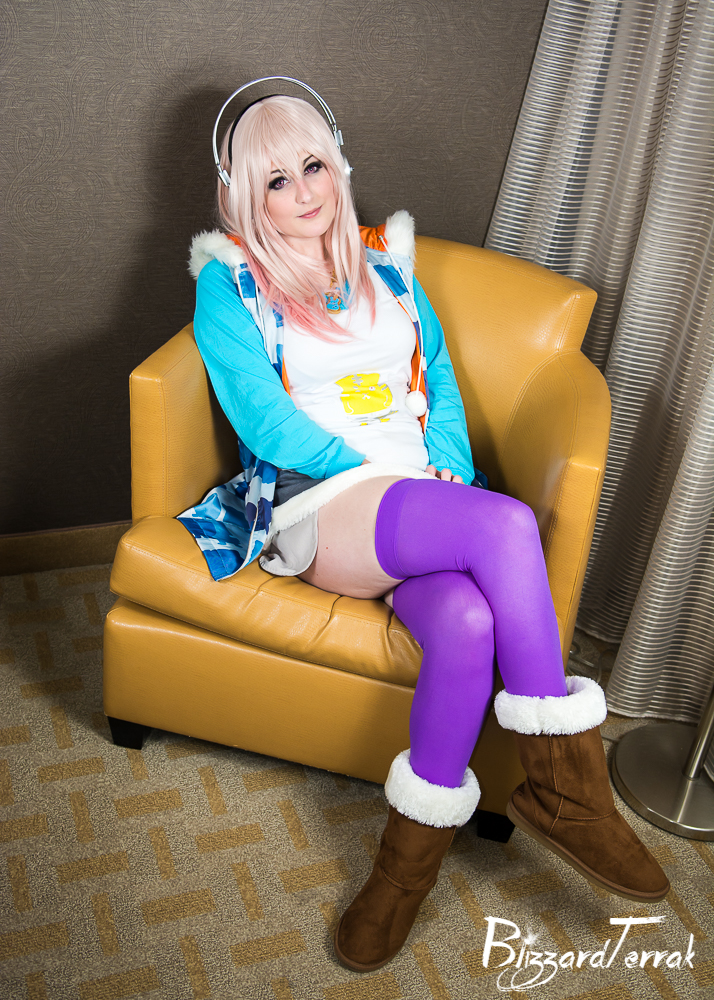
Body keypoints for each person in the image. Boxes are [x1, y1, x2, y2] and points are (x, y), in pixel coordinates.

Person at [183, 90, 669, 973]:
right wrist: (380, 471)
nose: (304, 191)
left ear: (339, 163)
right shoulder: (231, 284)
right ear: (247, 195)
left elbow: (436, 380)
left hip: (415, 499)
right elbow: (263, 421)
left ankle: (399, 876)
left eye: (313, 166)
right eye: (277, 180)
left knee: (470, 625)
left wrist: (443, 468)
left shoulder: (388, 267)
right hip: (325, 502)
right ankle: (565, 790)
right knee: (507, 526)